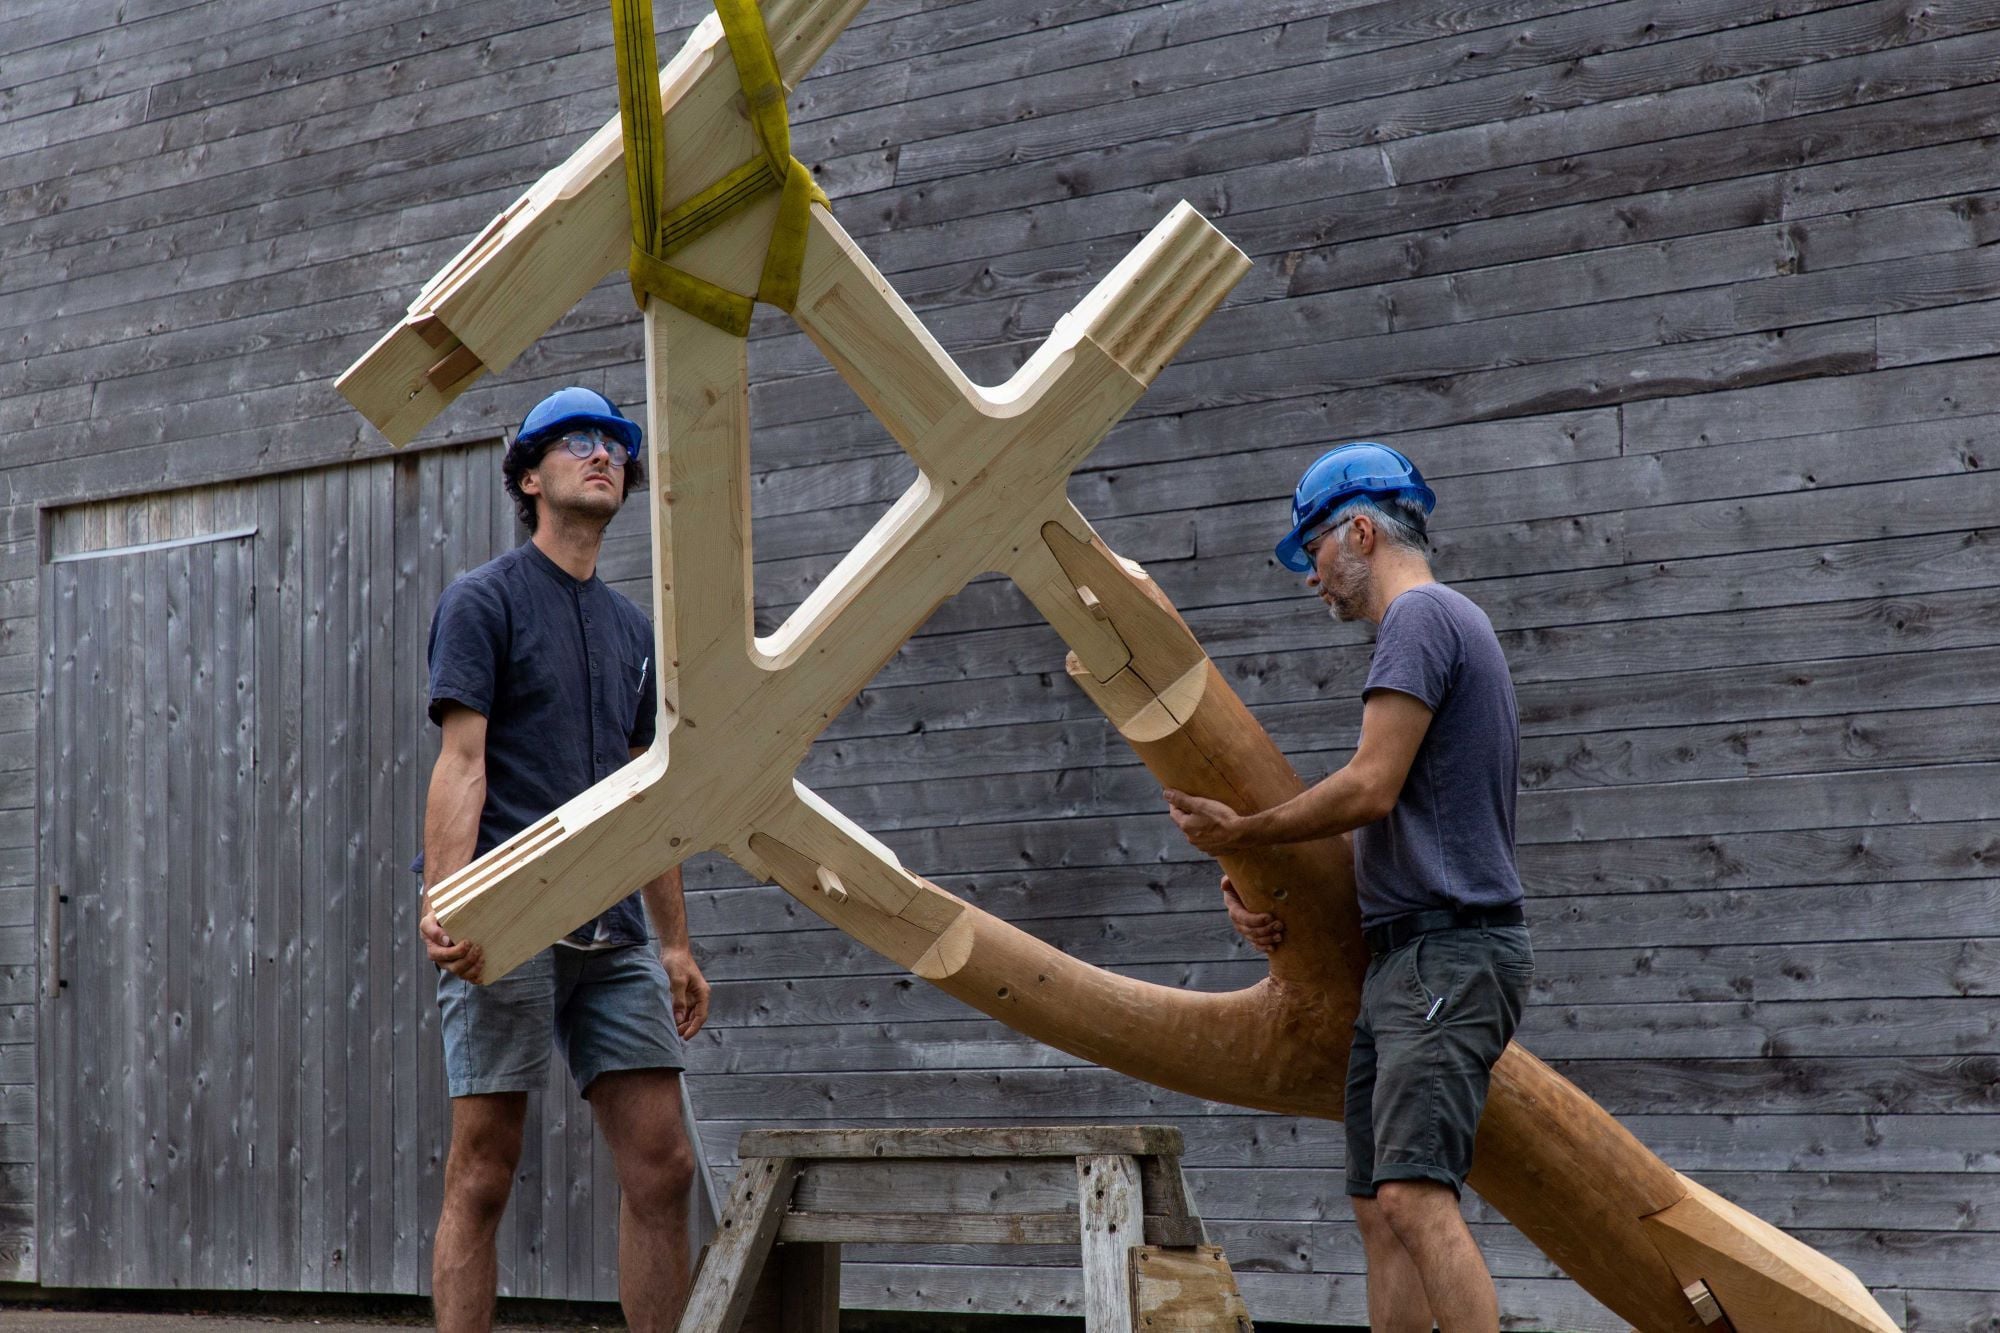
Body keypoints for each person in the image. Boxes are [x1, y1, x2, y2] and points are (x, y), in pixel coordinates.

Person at [1162, 442, 1532, 1333]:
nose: (1312, 578)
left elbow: (1369, 786)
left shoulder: (1421, 618)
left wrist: (1243, 831)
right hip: (1406, 962)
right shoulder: (1441, 627)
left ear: (1360, 530)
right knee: (1379, 1207)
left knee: (1413, 1198)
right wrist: (1259, 886)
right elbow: (1398, 819)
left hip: (1446, 953)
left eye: (1314, 551)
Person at [416, 386, 709, 1333]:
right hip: (509, 915)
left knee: (664, 1164)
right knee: (486, 1167)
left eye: (617, 444)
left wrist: (673, 943)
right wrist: (450, 900)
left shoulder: (633, 631)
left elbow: (645, 794)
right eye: (578, 442)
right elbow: (462, 763)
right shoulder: (484, 602)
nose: (605, 454)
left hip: (615, 927)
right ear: (531, 476)